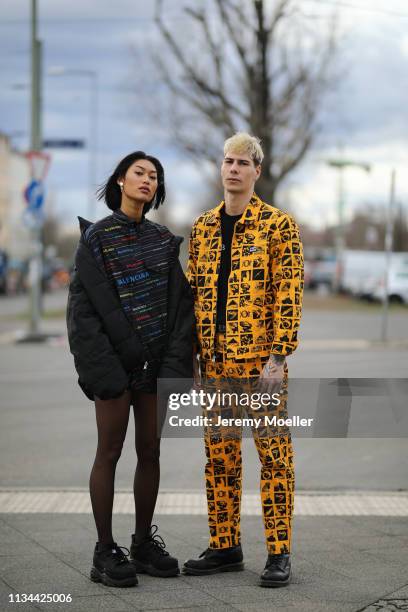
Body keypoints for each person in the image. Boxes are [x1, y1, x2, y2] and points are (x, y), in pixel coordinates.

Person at [66, 151, 193, 588]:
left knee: (151, 451)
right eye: (139, 173)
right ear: (121, 180)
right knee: (110, 451)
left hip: (155, 368)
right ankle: (104, 550)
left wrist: (175, 367)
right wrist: (105, 372)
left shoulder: (162, 240)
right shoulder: (96, 240)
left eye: (154, 176)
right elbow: (82, 316)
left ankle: (141, 544)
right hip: (115, 370)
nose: (147, 180)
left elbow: (181, 310)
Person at [183, 133, 304, 587]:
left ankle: (278, 552)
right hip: (214, 365)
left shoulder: (278, 225)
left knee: (274, 456)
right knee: (219, 458)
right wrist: (193, 359)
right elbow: (194, 294)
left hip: (260, 364)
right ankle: (225, 545)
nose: (233, 169)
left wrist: (279, 354)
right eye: (227, 161)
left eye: (242, 163)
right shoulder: (203, 227)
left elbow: (288, 293)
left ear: (256, 171)